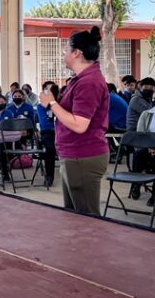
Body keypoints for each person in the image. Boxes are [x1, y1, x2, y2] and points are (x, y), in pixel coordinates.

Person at [40, 26, 109, 216]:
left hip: (83, 155)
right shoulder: (80, 79)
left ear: (77, 53)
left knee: (86, 218)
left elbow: (80, 124)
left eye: (66, 50)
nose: (64, 54)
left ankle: (92, 247)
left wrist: (52, 103)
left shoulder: (89, 82)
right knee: (74, 216)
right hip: (74, 154)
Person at [37, 81, 59, 187]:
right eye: (47, 89)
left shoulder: (61, 103)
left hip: (62, 132)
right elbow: (46, 123)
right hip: (48, 132)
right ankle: (49, 176)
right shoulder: (41, 106)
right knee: (50, 148)